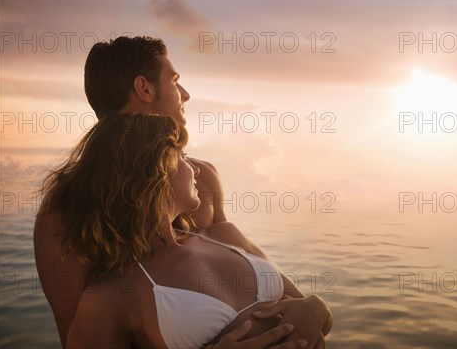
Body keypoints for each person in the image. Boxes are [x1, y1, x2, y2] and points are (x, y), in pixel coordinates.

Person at [34, 36, 332, 348]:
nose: (185, 94)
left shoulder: (201, 180)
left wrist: (315, 307)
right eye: (175, 81)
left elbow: (240, 281)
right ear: (145, 88)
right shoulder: (66, 209)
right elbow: (77, 338)